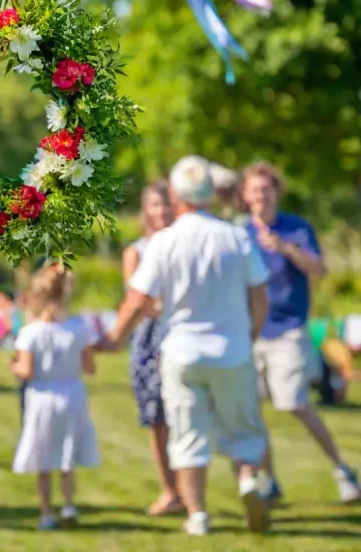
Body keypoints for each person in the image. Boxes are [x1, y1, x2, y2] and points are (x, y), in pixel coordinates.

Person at [108, 156, 271, 537]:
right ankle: (247, 478)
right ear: (212, 194)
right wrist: (252, 334)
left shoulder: (164, 242)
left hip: (181, 351)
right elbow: (260, 295)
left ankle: (197, 514)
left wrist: (113, 338)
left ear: (177, 196)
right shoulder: (235, 237)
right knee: (242, 428)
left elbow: (136, 299)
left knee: (187, 434)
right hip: (231, 348)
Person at [242, 161, 360, 503]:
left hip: (288, 331)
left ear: (277, 191)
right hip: (251, 334)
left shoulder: (296, 228)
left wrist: (285, 248)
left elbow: (320, 268)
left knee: (293, 402)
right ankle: (268, 481)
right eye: (254, 190)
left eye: (266, 189)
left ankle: (342, 470)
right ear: (245, 196)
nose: (260, 196)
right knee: (251, 410)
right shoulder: (238, 233)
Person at [11, 263, 99, 530]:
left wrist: (13, 365)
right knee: (67, 451)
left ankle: (47, 512)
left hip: (42, 395)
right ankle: (69, 504)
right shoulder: (77, 328)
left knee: (43, 454)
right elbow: (90, 367)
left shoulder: (30, 333)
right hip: (72, 392)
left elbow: (25, 371)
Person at [121, 181, 181, 517]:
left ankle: (188, 490)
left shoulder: (187, 244)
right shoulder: (137, 250)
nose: (162, 212)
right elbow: (137, 298)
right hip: (150, 338)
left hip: (182, 332)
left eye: (167, 204)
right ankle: (169, 489)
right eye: (156, 205)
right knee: (156, 418)